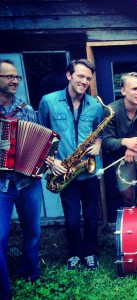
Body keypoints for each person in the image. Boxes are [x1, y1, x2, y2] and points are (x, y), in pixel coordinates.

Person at [38, 59, 103, 271]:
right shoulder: (48, 101)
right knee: (73, 220)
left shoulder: (95, 105)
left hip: (89, 170)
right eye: (80, 76)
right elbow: (41, 136)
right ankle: (75, 253)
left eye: (88, 78)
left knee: (92, 218)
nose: (84, 81)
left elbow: (99, 133)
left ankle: (91, 253)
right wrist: (51, 161)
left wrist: (98, 144)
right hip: (65, 171)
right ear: (69, 75)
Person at [0, 59, 42, 300]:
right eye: (9, 77)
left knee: (33, 231)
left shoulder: (25, 110)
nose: (15, 81)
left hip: (27, 182)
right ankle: (3, 290)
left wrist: (46, 160)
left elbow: (38, 140)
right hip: (1, 186)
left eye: (17, 77)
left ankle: (30, 272)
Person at [102, 72, 137, 216]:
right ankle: (133, 216)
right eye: (134, 89)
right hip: (122, 157)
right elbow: (107, 142)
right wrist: (126, 142)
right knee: (127, 196)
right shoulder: (111, 110)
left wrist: (134, 147)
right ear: (123, 91)